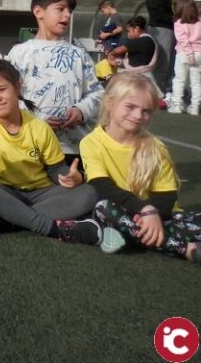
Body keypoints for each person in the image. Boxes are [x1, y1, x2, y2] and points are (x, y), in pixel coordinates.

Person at [0, 60, 117, 248]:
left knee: (89, 192)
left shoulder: (39, 127)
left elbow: (57, 170)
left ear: (17, 87)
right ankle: (50, 228)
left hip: (41, 193)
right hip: (4, 193)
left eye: (1, 89)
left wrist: (74, 177)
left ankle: (8, 219)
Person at [82, 73, 200, 263]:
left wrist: (152, 214)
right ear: (109, 103)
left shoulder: (156, 147)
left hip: (159, 216)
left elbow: (167, 195)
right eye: (130, 107)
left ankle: (131, 236)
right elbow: (101, 186)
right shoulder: (91, 143)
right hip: (122, 211)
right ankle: (184, 248)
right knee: (103, 208)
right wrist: (144, 210)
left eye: (146, 111)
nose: (138, 115)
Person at [7, 0, 103, 157]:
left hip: (72, 149)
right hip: (30, 145)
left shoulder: (79, 54)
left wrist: (81, 111)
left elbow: (97, 94)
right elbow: (9, 95)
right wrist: (37, 119)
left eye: (70, 11)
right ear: (39, 12)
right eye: (60, 9)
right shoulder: (19, 53)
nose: (67, 14)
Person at [145, 0, 191, 96]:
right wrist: (177, 19)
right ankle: (157, 92)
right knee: (163, 61)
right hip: (161, 29)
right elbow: (156, 14)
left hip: (174, 28)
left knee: (172, 62)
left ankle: (167, 89)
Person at [107, 16, 158, 91]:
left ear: (136, 28)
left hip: (138, 77)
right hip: (144, 75)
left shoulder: (143, 40)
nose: (128, 34)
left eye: (129, 31)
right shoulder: (148, 40)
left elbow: (120, 49)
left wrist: (110, 54)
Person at [172, 0, 201, 115]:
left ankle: (177, 105)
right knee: (196, 82)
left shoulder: (178, 23)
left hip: (183, 53)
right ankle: (195, 107)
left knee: (179, 79)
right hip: (199, 53)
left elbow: (182, 40)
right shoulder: (199, 21)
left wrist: (189, 54)